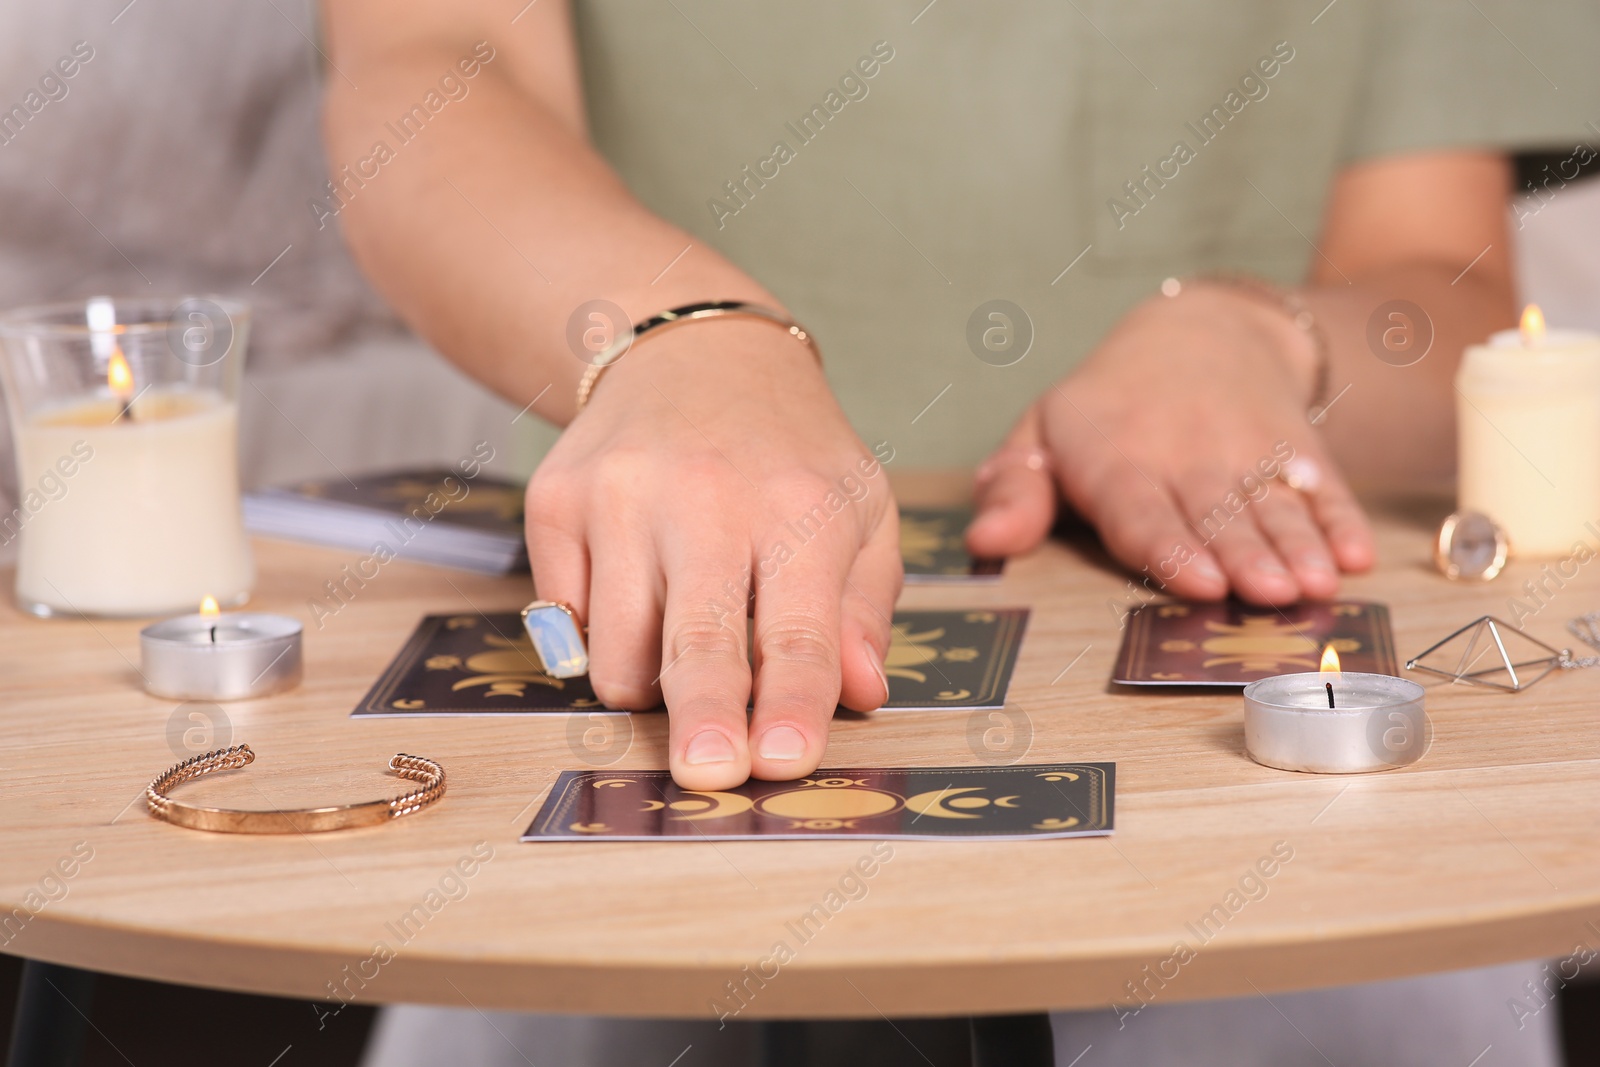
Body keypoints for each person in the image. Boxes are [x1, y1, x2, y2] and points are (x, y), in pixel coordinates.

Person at [322, 3, 1595, 1065]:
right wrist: (676, 337)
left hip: (1282, 833)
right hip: (616, 722)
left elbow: (1444, 286)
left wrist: (1264, 335)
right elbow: (424, 64)